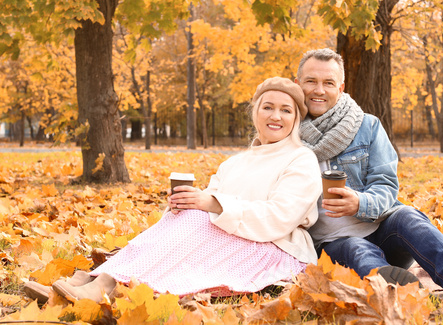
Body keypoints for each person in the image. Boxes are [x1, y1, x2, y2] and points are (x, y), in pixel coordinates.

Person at [23, 77, 322, 303]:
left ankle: (103, 285)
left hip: (275, 247)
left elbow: (281, 216)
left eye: (285, 110)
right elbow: (208, 202)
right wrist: (185, 203)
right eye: (267, 107)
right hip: (233, 235)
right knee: (184, 217)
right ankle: (95, 280)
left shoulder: (301, 159)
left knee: (195, 220)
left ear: (295, 118)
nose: (275, 116)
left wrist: (212, 205)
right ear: (255, 112)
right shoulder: (236, 162)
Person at [294, 48, 443, 296]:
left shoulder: (367, 126)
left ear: (341, 87)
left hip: (380, 230)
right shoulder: (285, 134)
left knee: (408, 216)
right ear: (297, 84)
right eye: (311, 81)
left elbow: (386, 184)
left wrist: (361, 202)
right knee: (357, 247)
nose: (319, 90)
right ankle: (398, 294)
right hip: (331, 247)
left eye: (328, 82)